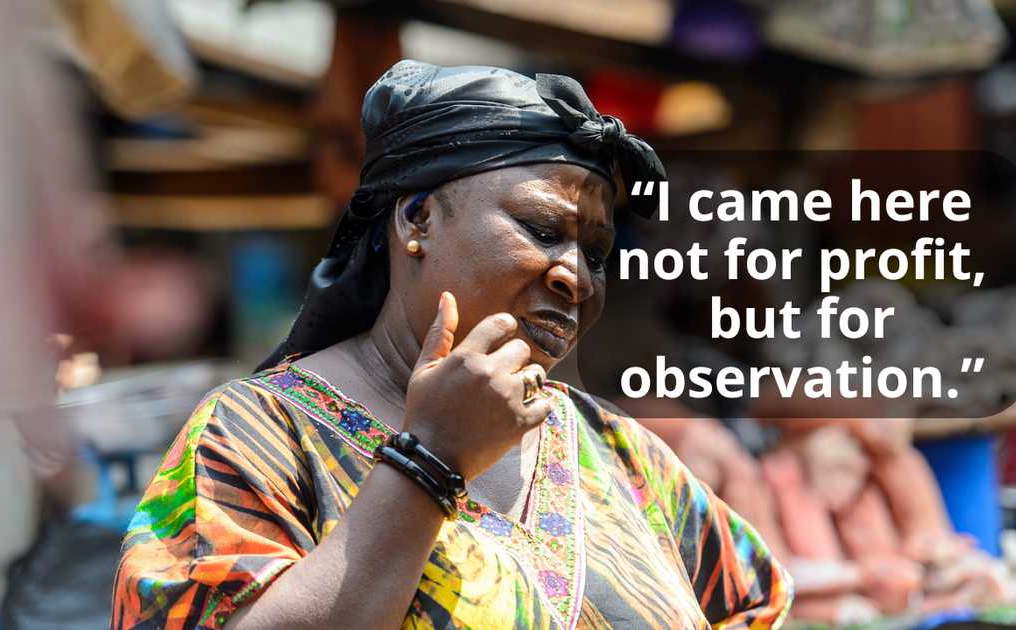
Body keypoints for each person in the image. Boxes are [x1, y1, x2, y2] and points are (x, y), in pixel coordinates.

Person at [111, 60, 793, 629]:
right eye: (541, 228)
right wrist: (430, 460)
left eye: (596, 250)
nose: (576, 274)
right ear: (418, 218)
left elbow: (753, 607)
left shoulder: (615, 449)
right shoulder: (260, 432)